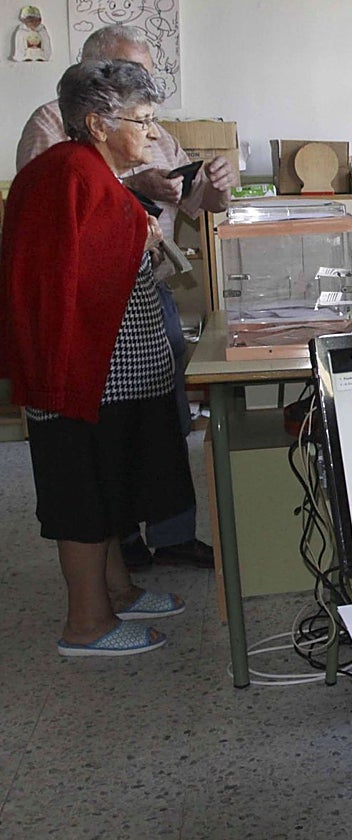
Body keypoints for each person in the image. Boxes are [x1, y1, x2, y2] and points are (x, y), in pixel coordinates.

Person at [16, 24, 234, 569]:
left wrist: (211, 185)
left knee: (152, 424)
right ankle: (114, 565)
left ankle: (165, 535)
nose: (149, 122)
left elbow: (198, 204)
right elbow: (70, 217)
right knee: (97, 459)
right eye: (132, 85)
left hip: (137, 299)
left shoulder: (137, 132)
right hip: (88, 325)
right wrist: (139, 194)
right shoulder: (59, 137)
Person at [0, 59, 192, 656]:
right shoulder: (67, 173)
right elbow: (63, 274)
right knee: (85, 494)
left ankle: (118, 590)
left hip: (113, 374)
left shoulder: (95, 170)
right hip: (81, 376)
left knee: (112, 487)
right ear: (98, 123)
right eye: (143, 120)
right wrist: (138, 232)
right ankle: (86, 624)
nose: (153, 133)